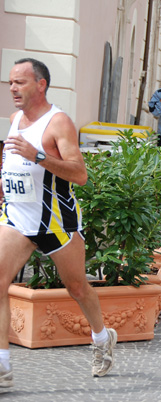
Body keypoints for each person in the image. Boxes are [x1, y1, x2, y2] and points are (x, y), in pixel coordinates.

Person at [0, 58, 117, 387]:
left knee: (77, 287)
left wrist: (36, 155)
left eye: (19, 82)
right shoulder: (14, 119)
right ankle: (2, 366)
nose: (12, 88)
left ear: (41, 85)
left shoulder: (58, 123)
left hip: (55, 221)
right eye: (10, 82)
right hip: (17, 217)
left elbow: (79, 174)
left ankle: (102, 338)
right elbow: (11, 161)